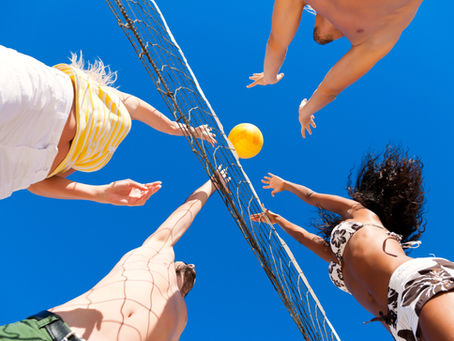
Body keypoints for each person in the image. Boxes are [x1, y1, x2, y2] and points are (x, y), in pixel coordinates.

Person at [251, 146, 454, 340]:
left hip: (414, 281)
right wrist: (278, 220)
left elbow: (312, 197)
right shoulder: (336, 256)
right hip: (399, 324)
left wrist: (286, 185)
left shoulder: (361, 213)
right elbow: (304, 238)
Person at [0, 170, 228, 341]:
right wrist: (212, 184)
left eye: (192, 268)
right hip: (49, 335)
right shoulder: (158, 254)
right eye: (187, 261)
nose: (192, 264)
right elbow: (187, 211)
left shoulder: (182, 317)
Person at [0, 45, 216, 205]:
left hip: (14, 172)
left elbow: (36, 184)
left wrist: (101, 193)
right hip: (34, 97)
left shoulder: (92, 151)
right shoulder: (97, 92)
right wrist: (180, 129)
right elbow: (136, 107)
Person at [247, 0, 423, 138]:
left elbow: (278, 43)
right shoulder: (378, 38)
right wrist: (304, 111)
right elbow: (276, 44)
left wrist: (271, 78)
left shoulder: (378, 38)